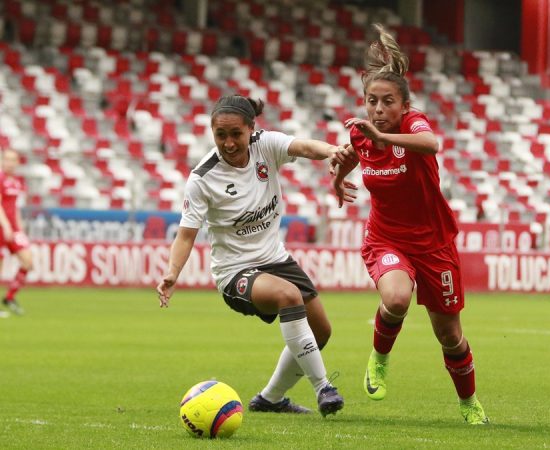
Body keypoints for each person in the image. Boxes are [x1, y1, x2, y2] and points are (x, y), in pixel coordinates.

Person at [331, 24, 488, 425]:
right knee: (397, 298)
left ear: (403, 107)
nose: (379, 109)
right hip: (385, 238)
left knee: (450, 336)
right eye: (372, 102)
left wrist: (385, 139)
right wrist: (337, 179)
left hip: (434, 242)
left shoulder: (414, 124)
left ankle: (469, 403)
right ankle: (379, 360)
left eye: (387, 103)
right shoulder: (362, 132)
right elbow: (351, 155)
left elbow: (432, 144)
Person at [157, 94, 352, 417]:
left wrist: (333, 152)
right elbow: (186, 234)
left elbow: (304, 147)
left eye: (236, 134)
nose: (229, 142)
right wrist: (172, 272)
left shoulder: (266, 146)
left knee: (321, 331)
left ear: (251, 129)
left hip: (276, 259)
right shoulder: (202, 178)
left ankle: (270, 399)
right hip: (235, 272)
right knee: (289, 297)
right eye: (221, 135)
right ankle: (323, 388)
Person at [0, 149, 32, 316]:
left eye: (13, 160)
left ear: (17, 162)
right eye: (6, 159)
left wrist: (20, 229)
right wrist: (5, 225)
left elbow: (16, 208)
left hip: (13, 228)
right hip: (1, 227)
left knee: (28, 261)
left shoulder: (18, 183)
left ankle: (10, 297)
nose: (9, 163)